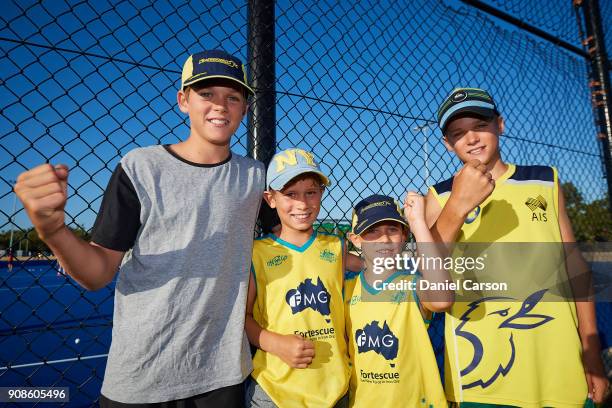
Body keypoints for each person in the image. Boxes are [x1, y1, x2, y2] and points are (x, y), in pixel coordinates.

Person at [15, 49, 265, 406]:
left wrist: (372, 258)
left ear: (244, 108)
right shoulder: (141, 168)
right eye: (206, 94)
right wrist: (53, 230)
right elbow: (98, 272)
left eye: (233, 97)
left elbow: (291, 233)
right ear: (183, 100)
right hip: (144, 375)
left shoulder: (255, 176)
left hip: (222, 375)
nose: (220, 106)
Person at [425, 87, 609, 406]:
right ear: (446, 143)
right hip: (483, 373)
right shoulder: (438, 196)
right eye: (458, 133)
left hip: (559, 360)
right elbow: (430, 292)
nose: (470, 139)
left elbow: (573, 265)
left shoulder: (544, 181)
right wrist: (457, 206)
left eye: (480, 126)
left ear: (501, 124)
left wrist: (591, 348)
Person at [245, 148, 350, 407]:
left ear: (321, 194)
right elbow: (241, 318)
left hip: (335, 387)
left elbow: (381, 263)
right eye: (290, 194)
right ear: (271, 199)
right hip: (276, 391)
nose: (302, 204)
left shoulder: (337, 247)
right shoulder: (256, 253)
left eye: (311, 192)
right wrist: (276, 343)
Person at [344, 193, 451, 407]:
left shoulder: (413, 285)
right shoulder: (346, 290)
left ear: (404, 236)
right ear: (356, 240)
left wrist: (418, 223)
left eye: (392, 230)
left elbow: (442, 299)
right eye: (372, 231)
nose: (384, 239)